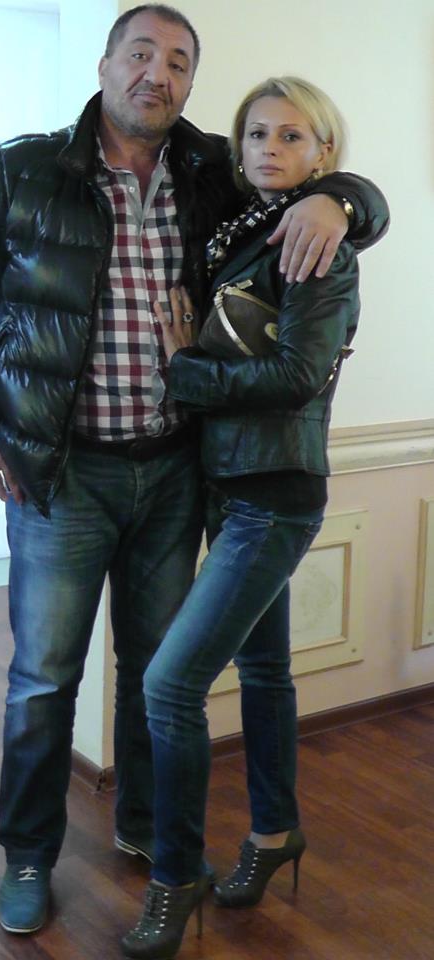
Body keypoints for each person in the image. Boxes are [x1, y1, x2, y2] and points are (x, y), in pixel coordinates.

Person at [0, 3, 388, 938]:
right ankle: (28, 856)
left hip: (173, 473)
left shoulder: (214, 173)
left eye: (178, 61)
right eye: (140, 53)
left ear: (191, 82)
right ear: (105, 63)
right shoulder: (20, 170)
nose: (156, 73)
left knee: (154, 671)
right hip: (61, 480)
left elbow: (312, 176)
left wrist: (346, 200)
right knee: (44, 680)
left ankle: (147, 827)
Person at [122, 75, 384, 960]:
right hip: (226, 484)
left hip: (272, 496)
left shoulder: (318, 245)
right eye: (256, 134)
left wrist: (185, 371)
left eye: (291, 136)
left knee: (169, 686)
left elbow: (297, 378)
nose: (269, 149)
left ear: (324, 152)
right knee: (266, 674)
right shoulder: (244, 232)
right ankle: (275, 833)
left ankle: (175, 876)